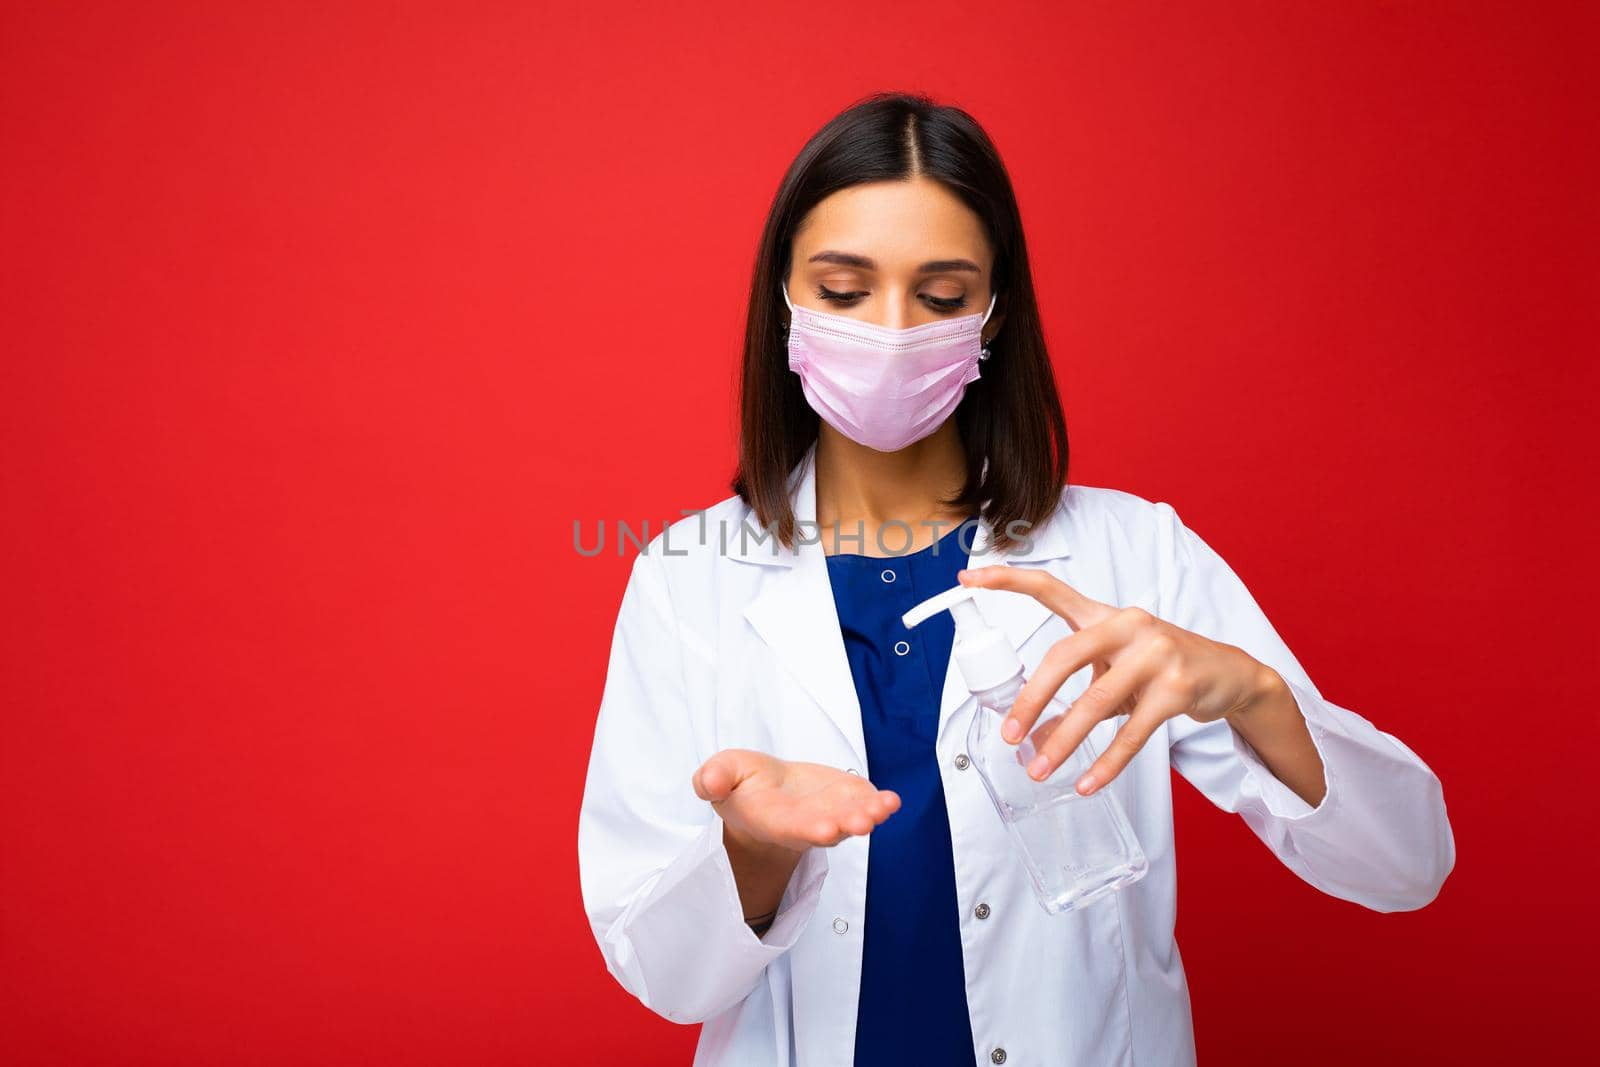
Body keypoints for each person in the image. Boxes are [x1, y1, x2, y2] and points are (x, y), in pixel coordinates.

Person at [576, 91, 1455, 1067]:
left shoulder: (1133, 553)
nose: (892, 330)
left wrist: (1251, 688)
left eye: (943, 296)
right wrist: (755, 850)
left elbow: (1403, 865)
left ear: (993, 314)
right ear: (783, 299)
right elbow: (662, 976)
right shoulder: (688, 577)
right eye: (842, 288)